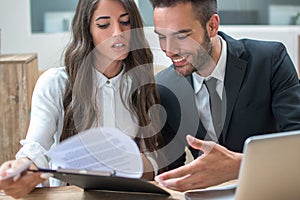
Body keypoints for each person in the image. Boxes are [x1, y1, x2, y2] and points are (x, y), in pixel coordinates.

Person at [0, 0, 163, 198]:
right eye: (104, 25)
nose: (118, 33)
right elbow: (36, 147)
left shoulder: (141, 84)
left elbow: (152, 161)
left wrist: (129, 164)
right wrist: (21, 170)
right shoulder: (55, 83)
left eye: (126, 22)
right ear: (87, 31)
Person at [150, 0, 300, 191]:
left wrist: (238, 166)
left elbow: (297, 147)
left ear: (212, 25)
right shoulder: (164, 88)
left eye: (181, 36)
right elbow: (172, 174)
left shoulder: (270, 61)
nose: (169, 50)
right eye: (162, 36)